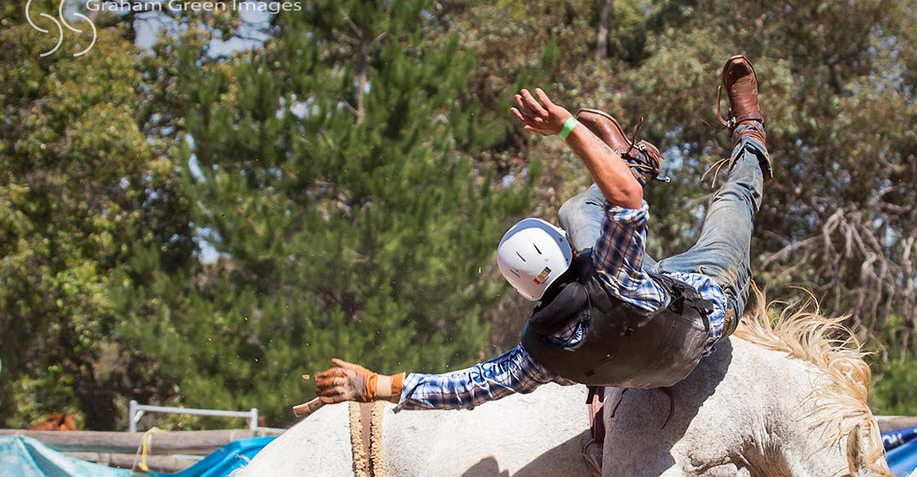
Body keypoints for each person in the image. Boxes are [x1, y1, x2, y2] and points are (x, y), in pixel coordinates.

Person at [311, 55, 771, 411]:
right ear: (568, 255)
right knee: (732, 203)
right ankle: (749, 134)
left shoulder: (540, 353)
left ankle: (632, 158)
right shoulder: (613, 275)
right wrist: (566, 126)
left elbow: (467, 388)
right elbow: (628, 198)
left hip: (651, 320)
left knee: (576, 207)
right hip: (711, 293)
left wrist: (373, 385)